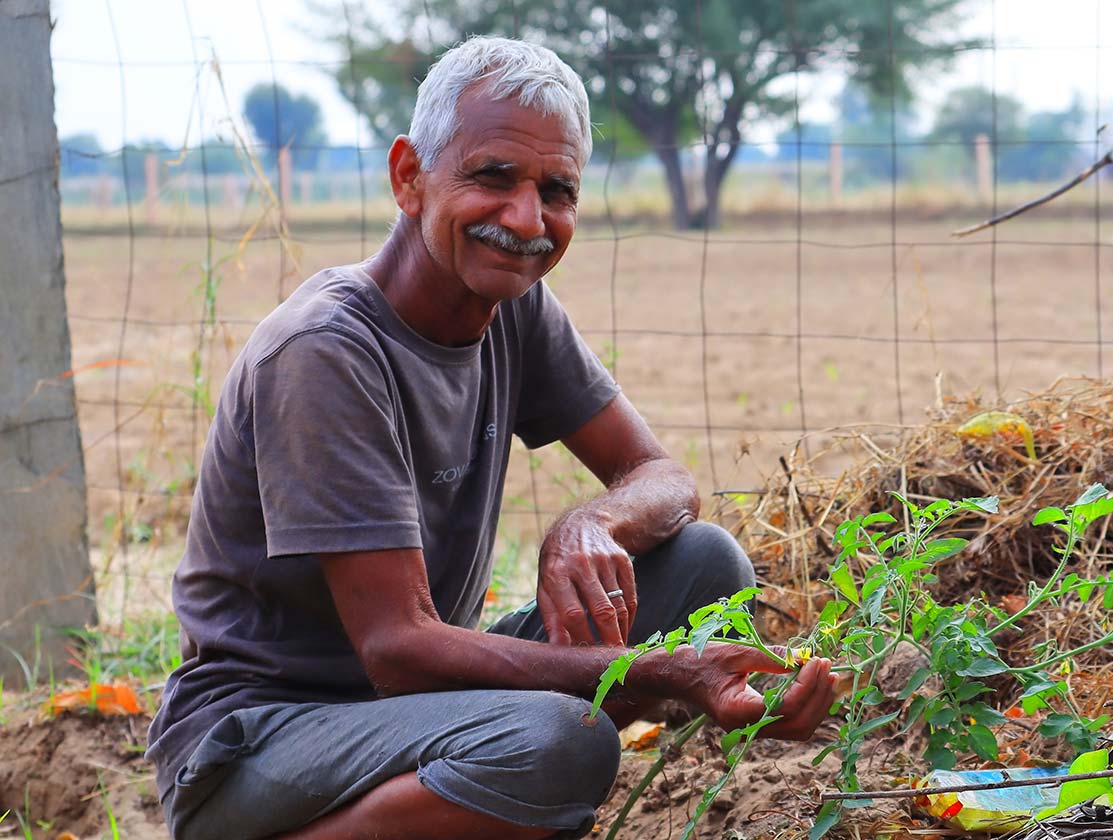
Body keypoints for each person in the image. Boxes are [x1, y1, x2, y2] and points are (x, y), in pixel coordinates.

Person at [145, 35, 838, 840]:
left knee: (702, 564)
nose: (527, 219)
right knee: (556, 743)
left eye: (557, 190)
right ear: (410, 178)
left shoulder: (514, 308)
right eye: (493, 177)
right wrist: (667, 673)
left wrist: (591, 524)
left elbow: (661, 476)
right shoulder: (326, 351)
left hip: (411, 715)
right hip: (257, 744)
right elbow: (398, 650)